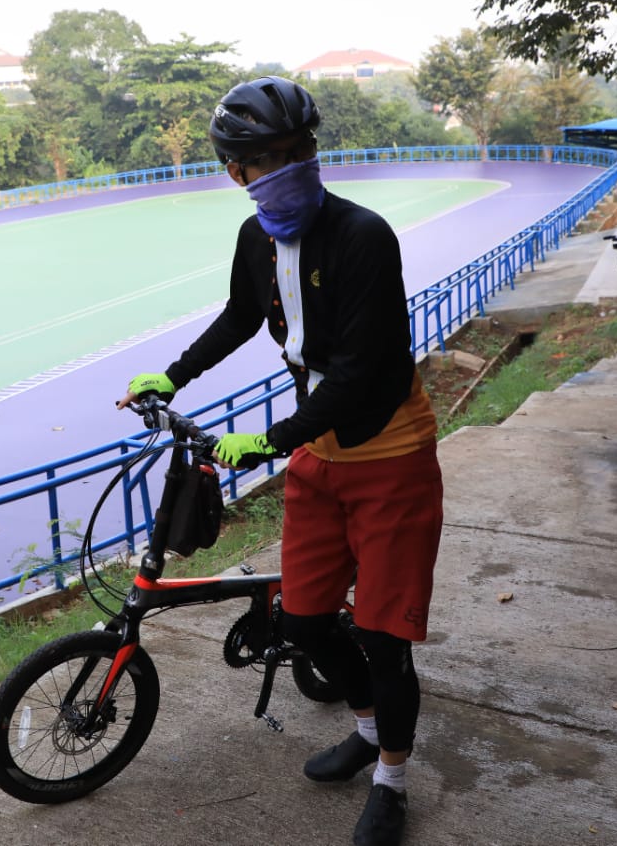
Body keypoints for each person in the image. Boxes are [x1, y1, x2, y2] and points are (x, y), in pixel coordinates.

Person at [119, 76, 444, 846]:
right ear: (236, 171)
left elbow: (367, 371)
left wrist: (271, 438)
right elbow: (241, 312)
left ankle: (392, 779)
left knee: (383, 635)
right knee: (302, 618)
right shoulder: (255, 238)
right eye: (265, 158)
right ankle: (367, 727)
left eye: (297, 151)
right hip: (319, 456)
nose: (285, 166)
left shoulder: (363, 235)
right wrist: (174, 373)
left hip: (388, 453)